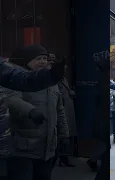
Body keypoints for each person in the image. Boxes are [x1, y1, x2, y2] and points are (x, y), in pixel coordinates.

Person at [4, 44, 70, 180]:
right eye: (38, 58)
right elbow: (12, 99)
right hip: (23, 149)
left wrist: (64, 135)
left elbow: (60, 110)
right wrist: (30, 111)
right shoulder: (19, 80)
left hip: (48, 148)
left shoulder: (51, 81)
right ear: (27, 61)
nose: (42, 62)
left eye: (44, 58)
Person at [87, 79, 115, 174]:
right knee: (101, 142)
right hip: (101, 114)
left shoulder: (109, 82)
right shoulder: (99, 83)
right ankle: (93, 161)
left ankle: (96, 161)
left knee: (103, 142)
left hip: (108, 111)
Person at [56, 64, 77, 167]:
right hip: (63, 108)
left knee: (68, 132)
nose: (65, 70)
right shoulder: (56, 79)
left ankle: (64, 157)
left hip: (67, 106)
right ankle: (62, 157)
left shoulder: (64, 78)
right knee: (64, 133)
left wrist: (71, 93)